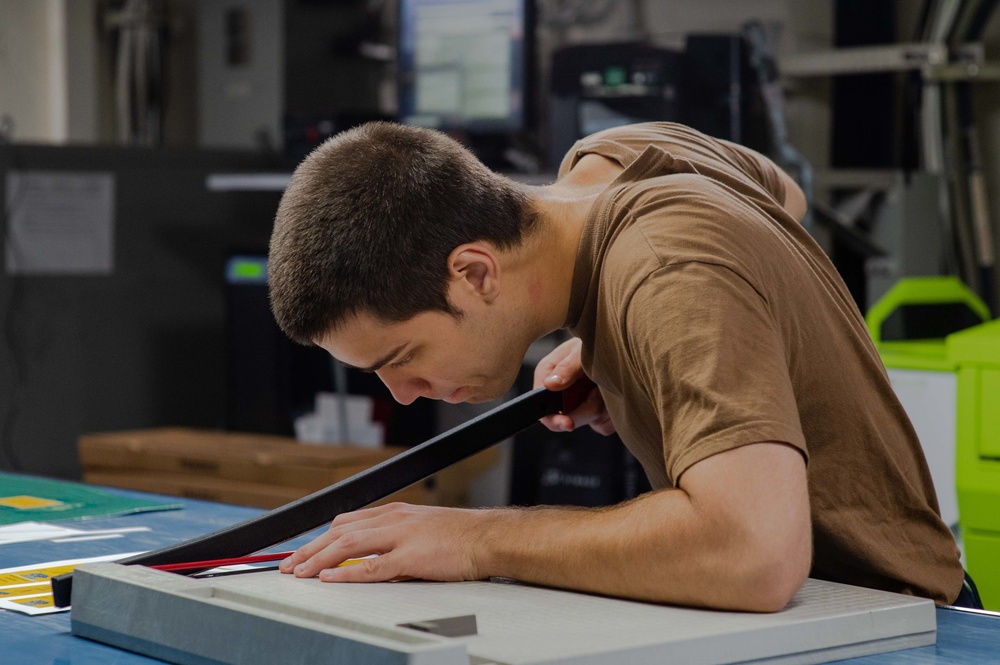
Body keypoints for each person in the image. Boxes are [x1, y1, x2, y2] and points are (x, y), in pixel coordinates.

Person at [267, 121, 965, 611]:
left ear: (475, 272)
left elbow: (755, 555)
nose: (406, 395)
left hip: (896, 624)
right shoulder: (616, 155)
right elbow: (782, 195)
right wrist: (642, 345)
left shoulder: (664, 271)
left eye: (402, 358)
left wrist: (476, 537)